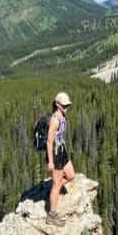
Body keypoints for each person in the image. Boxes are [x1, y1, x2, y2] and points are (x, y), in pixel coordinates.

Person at [45, 91, 76, 226]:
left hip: (61, 150)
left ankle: (54, 191)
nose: (66, 108)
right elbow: (49, 141)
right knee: (57, 184)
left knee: (71, 175)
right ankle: (51, 215)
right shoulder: (54, 120)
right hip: (55, 154)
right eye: (64, 105)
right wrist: (51, 161)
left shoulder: (62, 116)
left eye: (67, 105)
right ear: (57, 104)